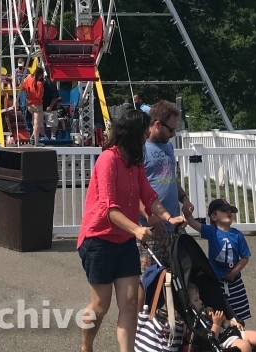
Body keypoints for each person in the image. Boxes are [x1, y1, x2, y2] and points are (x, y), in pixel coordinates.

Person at [77, 109, 185, 352]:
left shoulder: (135, 164)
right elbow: (108, 208)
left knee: (129, 301)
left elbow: (149, 197)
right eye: (144, 133)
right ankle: (86, 346)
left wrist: (169, 217)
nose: (147, 137)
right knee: (100, 304)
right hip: (98, 239)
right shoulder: (108, 160)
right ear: (134, 134)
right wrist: (137, 229)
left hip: (123, 241)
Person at [137, 101, 191, 299]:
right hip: (151, 227)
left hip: (173, 224)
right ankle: (142, 320)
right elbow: (133, 189)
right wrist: (148, 215)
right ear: (157, 124)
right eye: (171, 129)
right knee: (149, 280)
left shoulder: (168, 146)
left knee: (179, 276)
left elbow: (171, 178)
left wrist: (184, 198)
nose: (173, 134)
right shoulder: (141, 149)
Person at [183, 199, 252, 321]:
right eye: (224, 211)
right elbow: (194, 224)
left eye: (230, 211)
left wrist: (233, 273)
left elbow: (245, 257)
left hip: (234, 282)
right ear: (214, 216)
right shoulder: (211, 231)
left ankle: (240, 331)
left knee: (239, 314)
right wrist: (188, 215)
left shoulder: (237, 235)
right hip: (216, 281)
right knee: (219, 311)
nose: (228, 213)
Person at [187, 283, 256, 352]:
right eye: (196, 300)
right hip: (221, 340)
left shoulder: (204, 312)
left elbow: (224, 321)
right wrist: (216, 324)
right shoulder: (194, 322)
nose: (201, 302)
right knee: (245, 346)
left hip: (228, 331)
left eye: (199, 298)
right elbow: (210, 341)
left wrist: (230, 322)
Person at [21, 65, 45, 145]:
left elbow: (22, 87)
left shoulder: (28, 79)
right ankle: (36, 142)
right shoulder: (40, 84)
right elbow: (40, 96)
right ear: (40, 75)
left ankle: (33, 136)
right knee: (37, 124)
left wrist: (27, 94)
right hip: (37, 105)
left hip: (29, 105)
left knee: (34, 122)